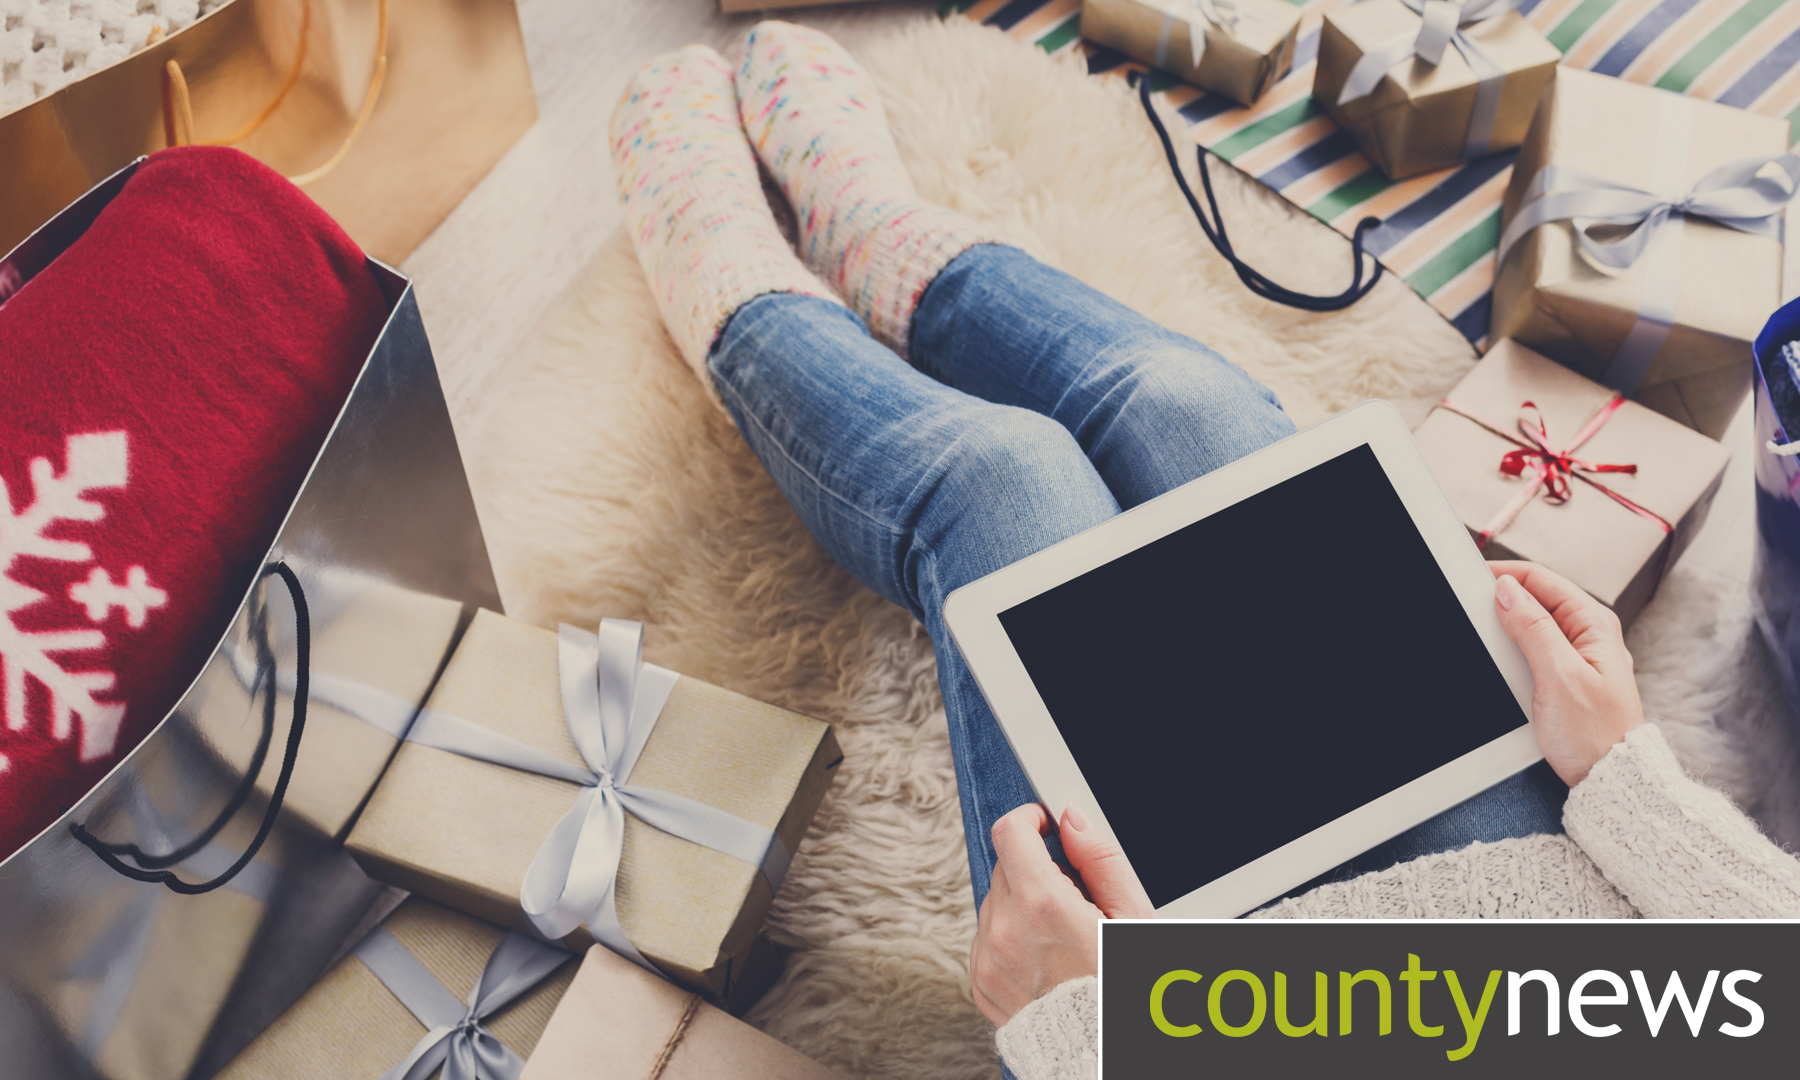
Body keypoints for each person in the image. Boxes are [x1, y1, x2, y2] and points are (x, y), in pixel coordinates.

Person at [607, 23, 1800, 1080]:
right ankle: (885, 243)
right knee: (1190, 408)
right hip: (1557, 944)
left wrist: (1096, 1028)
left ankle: (747, 305)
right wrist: (1624, 778)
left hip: (1225, 1018)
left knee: (1002, 487)